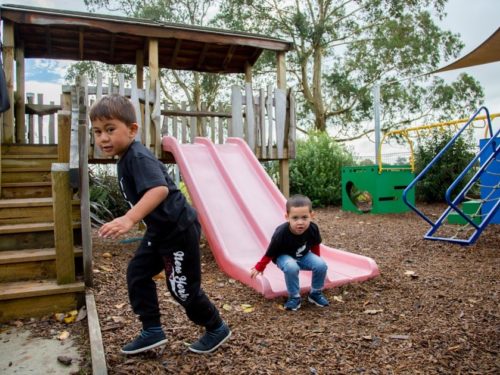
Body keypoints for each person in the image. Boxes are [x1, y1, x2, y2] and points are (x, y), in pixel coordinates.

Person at [89, 94, 231, 355]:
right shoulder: (126, 157)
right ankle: (152, 330)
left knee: (182, 289)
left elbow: (159, 190)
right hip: (160, 231)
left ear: (132, 130)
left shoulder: (138, 157)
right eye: (97, 132)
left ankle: (216, 327)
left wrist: (129, 218)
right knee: (138, 273)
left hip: (178, 230)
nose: (103, 138)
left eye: (110, 129)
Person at [250, 194, 329, 311]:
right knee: (291, 267)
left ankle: (315, 293)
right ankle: (294, 297)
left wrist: (316, 263)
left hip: (303, 255)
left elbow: (315, 245)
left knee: (321, 265)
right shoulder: (281, 233)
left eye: (304, 217)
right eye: (295, 218)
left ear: (312, 216)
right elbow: (270, 252)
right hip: (283, 256)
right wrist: (260, 266)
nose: (300, 222)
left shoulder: (313, 228)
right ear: (287, 217)